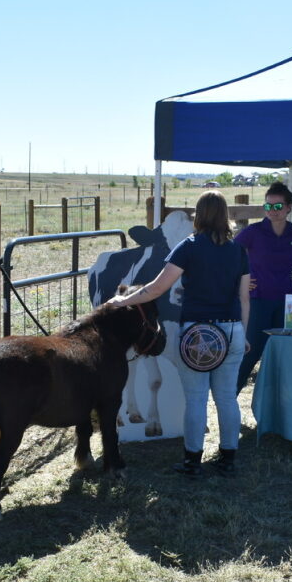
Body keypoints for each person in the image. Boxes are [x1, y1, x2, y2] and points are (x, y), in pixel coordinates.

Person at [107, 191, 251, 476]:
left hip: (197, 335)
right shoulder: (238, 251)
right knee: (226, 398)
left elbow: (157, 288)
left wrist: (123, 301)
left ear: (199, 215)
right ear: (225, 216)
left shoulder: (189, 247)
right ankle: (228, 459)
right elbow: (244, 298)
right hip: (232, 330)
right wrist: (243, 334)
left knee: (196, 399)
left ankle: (192, 461)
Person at [234, 181, 292, 391]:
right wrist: (239, 280)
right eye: (268, 206)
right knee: (250, 352)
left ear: (289, 207)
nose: (273, 210)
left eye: (278, 206)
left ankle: (277, 402)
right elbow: (229, 255)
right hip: (257, 301)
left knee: (283, 353)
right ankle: (228, 400)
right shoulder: (253, 232)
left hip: (288, 303)